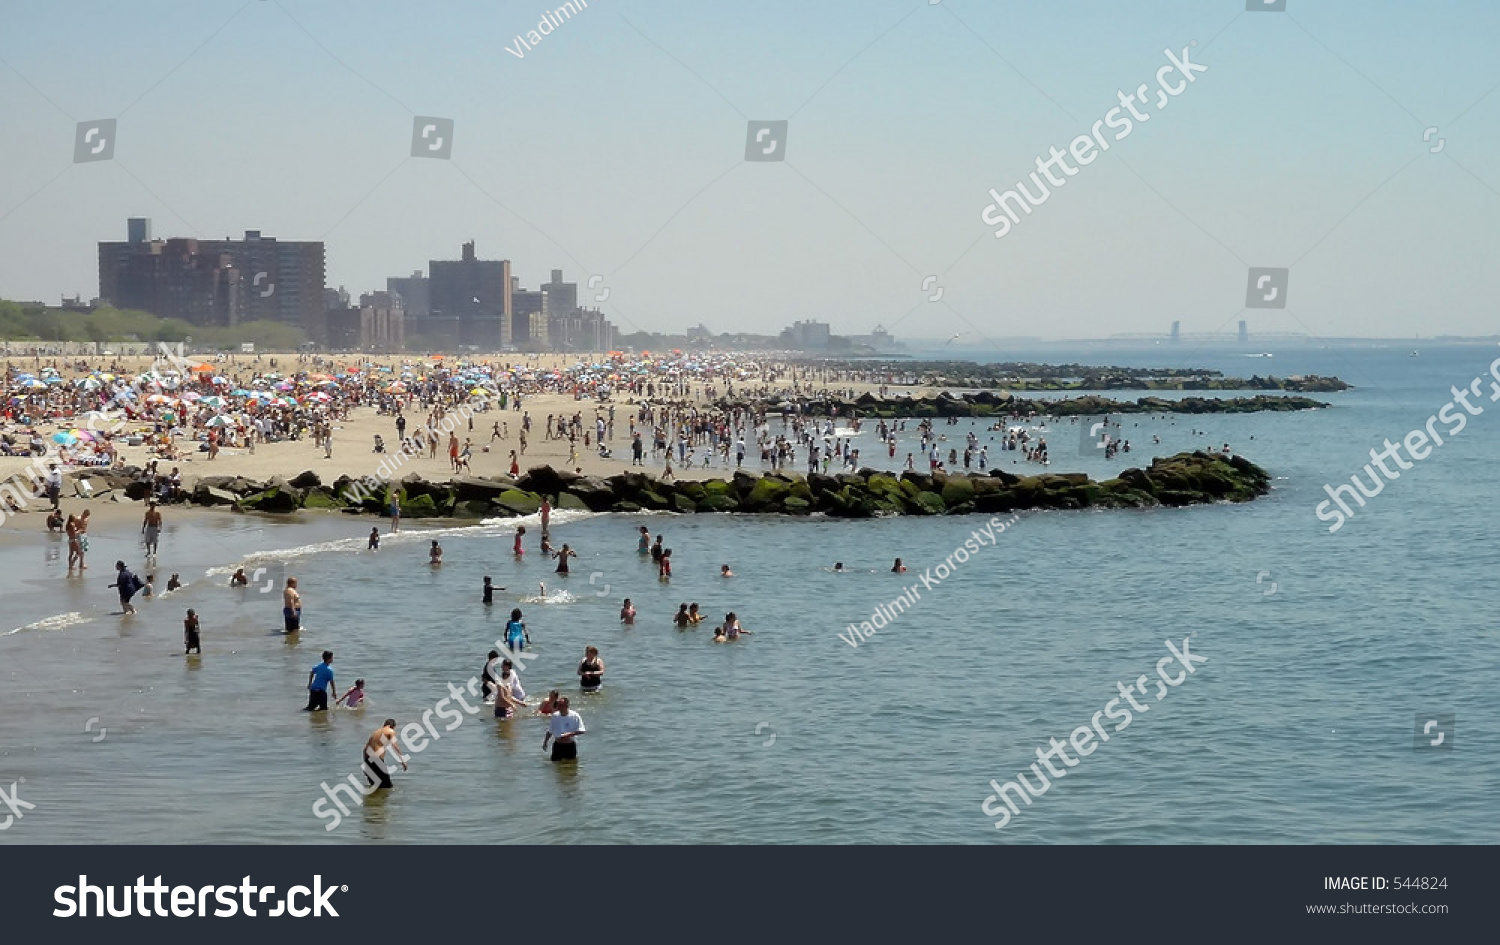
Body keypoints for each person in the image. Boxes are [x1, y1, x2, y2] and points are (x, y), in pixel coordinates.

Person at [362, 719, 407, 789]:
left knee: (375, 786)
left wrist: (366, 764)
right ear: (391, 726)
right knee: (387, 786)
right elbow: (394, 746)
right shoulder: (390, 731)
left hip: (368, 760)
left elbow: (365, 748)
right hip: (377, 760)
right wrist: (403, 761)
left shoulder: (375, 733)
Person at [542, 697, 585, 761]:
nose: (558, 707)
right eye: (558, 705)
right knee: (556, 766)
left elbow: (582, 730)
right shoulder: (555, 716)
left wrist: (569, 734)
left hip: (570, 746)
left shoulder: (575, 716)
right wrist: (545, 742)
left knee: (570, 767)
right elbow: (550, 731)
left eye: (561, 705)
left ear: (567, 705)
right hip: (557, 745)